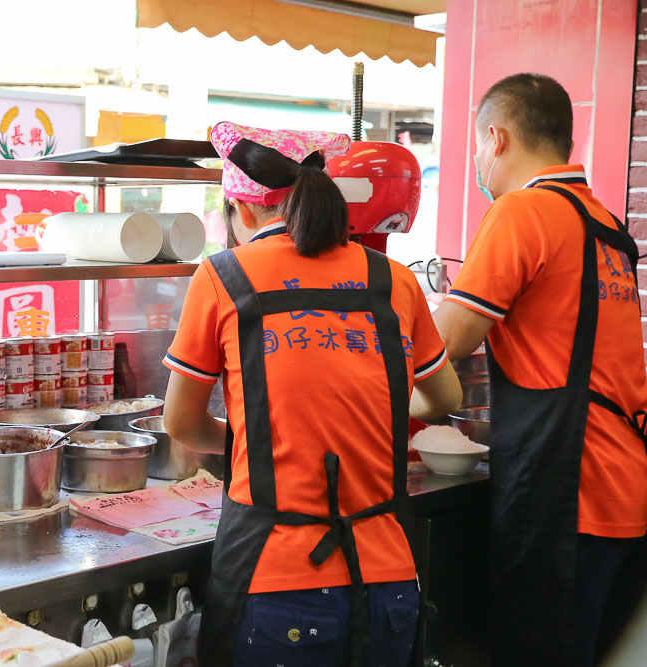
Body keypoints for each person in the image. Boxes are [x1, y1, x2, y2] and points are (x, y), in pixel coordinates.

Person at [162, 122, 462, 667]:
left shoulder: (222, 276)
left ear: (241, 210)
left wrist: (256, 437)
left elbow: (180, 424)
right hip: (388, 579)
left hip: (276, 578)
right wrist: (381, 412)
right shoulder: (394, 279)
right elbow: (443, 397)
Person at [433, 73, 647, 666]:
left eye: (477, 146)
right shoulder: (602, 222)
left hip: (566, 494)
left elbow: (445, 341)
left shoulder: (522, 212)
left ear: (496, 138)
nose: (477, 161)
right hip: (624, 485)